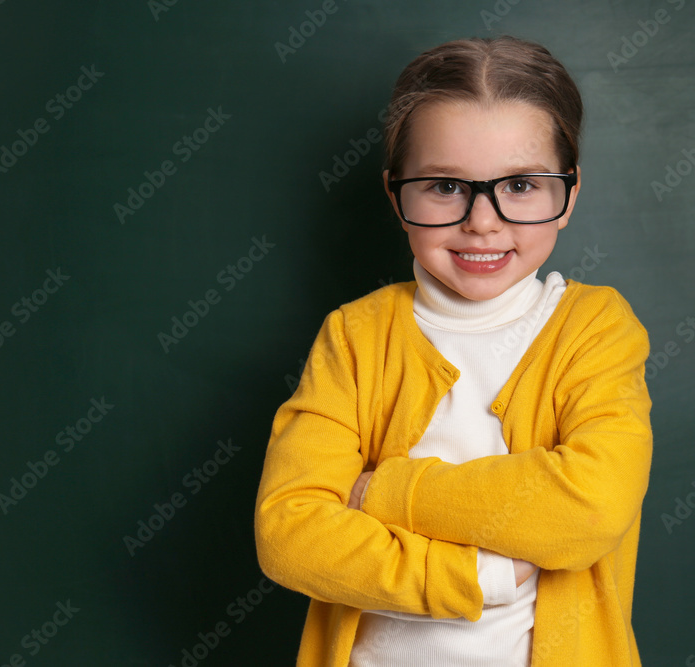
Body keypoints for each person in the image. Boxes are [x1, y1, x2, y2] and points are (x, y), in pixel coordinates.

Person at [255, 35, 652, 667]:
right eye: (444, 186)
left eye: (521, 184)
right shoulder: (355, 337)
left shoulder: (595, 329)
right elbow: (290, 534)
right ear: (396, 197)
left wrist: (380, 493)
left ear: (569, 195)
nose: (483, 221)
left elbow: (589, 504)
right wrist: (481, 577)